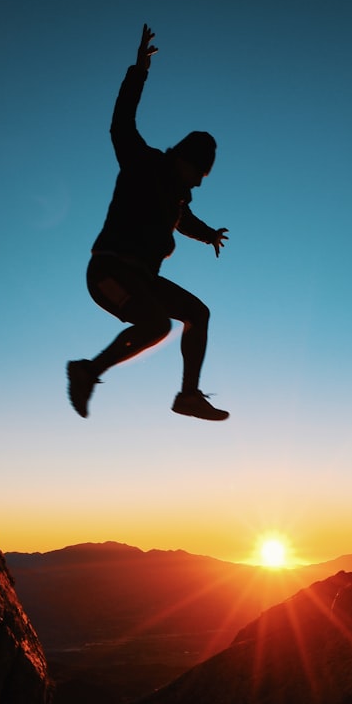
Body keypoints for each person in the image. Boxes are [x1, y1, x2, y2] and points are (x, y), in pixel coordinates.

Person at [67, 24, 230, 421]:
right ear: (183, 160)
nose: (197, 183)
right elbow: (121, 123)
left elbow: (184, 220)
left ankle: (188, 396)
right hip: (109, 270)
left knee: (198, 313)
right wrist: (139, 70)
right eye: (198, 174)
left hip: (142, 278)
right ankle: (87, 372)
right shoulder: (143, 163)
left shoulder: (176, 197)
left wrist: (207, 234)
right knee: (156, 324)